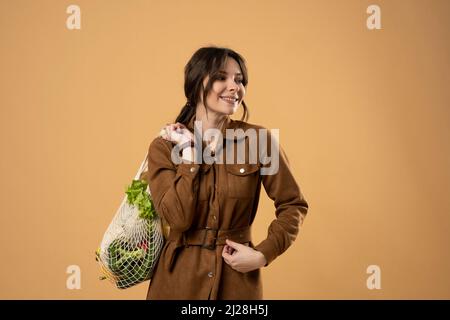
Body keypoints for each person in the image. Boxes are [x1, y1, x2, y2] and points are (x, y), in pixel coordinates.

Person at [145, 46, 309, 300]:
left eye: (239, 79)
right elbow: (177, 219)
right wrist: (190, 155)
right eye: (221, 77)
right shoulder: (164, 146)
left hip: (236, 283)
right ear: (196, 84)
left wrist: (264, 254)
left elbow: (293, 204)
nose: (234, 87)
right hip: (177, 281)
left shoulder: (258, 140)